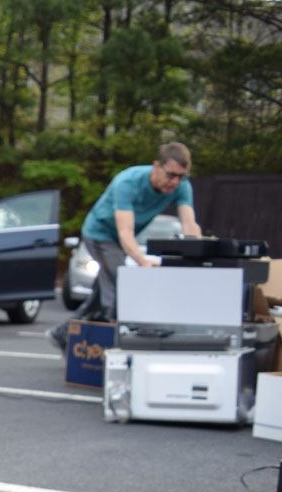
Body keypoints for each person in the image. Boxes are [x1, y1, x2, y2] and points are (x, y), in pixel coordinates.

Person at [47, 143, 201, 347]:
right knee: (121, 284)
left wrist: (198, 253)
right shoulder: (128, 182)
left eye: (181, 177)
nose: (175, 182)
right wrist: (142, 262)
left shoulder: (181, 186)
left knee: (100, 293)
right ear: (156, 166)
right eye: (171, 175)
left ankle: (62, 333)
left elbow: (189, 224)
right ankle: (111, 346)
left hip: (118, 240)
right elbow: (125, 232)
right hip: (99, 234)